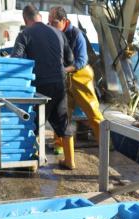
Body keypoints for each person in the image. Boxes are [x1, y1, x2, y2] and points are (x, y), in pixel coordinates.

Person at [11, 5, 76, 169]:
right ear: (39, 17)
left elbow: (16, 60)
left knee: (35, 123)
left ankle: (32, 162)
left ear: (26, 20)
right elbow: (70, 60)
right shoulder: (59, 33)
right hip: (60, 84)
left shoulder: (24, 34)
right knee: (63, 122)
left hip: (40, 86)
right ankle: (70, 161)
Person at [48, 6, 103, 154]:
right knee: (62, 114)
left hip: (81, 77)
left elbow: (81, 61)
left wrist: (63, 70)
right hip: (65, 79)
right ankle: (59, 144)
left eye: (53, 23)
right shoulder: (53, 33)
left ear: (64, 21)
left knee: (93, 113)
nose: (50, 26)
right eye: (49, 22)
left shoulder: (77, 34)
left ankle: (105, 144)